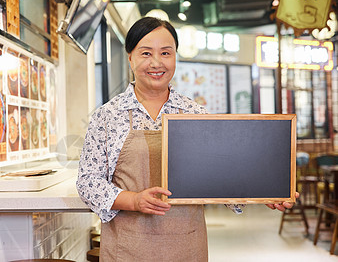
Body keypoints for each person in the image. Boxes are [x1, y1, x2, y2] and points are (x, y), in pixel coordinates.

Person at [76, 17, 296, 261]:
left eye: (166, 53)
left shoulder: (195, 114)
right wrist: (134, 200)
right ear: (130, 57)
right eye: (146, 53)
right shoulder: (107, 116)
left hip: (186, 246)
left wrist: (265, 192)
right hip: (127, 247)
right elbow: (87, 182)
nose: (156, 62)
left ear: (175, 57)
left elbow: (220, 176)